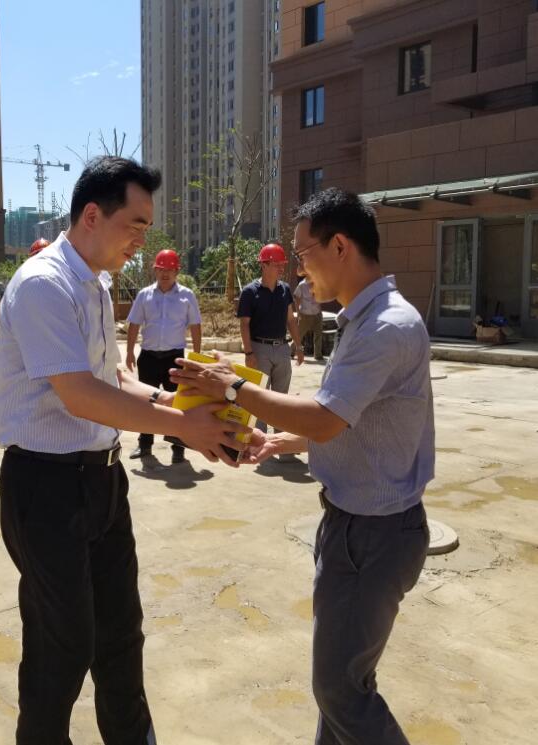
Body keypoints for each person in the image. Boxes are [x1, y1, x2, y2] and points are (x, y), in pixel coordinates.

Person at [0, 156, 245, 744]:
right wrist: (183, 428)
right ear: (91, 215)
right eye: (135, 225)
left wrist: (175, 402)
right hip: (46, 487)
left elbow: (110, 378)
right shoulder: (44, 284)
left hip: (103, 483)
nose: (142, 241)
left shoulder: (97, 285)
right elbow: (80, 395)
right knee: (63, 647)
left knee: (121, 636)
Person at [171, 188, 434, 745]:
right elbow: (350, 420)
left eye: (302, 253)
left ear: (339, 246)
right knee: (341, 686)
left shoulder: (386, 327)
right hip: (354, 527)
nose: (297, 269)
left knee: (340, 690)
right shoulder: (364, 320)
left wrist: (233, 388)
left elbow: (326, 418)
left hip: (374, 535)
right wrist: (277, 442)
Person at [125, 248, 202, 464]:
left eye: (170, 269)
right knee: (147, 404)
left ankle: (178, 449)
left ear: (177, 271)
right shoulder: (144, 295)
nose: (165, 273)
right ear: (155, 271)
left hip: (174, 359)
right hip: (148, 358)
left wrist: (196, 357)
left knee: (178, 405)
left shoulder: (187, 295)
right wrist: (130, 352)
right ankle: (145, 445)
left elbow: (195, 326)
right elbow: (134, 324)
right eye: (161, 269)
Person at [237, 243, 304, 433]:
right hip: (259, 349)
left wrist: (298, 347)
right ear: (264, 265)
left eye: (283, 265)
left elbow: (291, 320)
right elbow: (244, 324)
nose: (281, 269)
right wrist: (249, 352)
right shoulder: (250, 292)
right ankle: (260, 440)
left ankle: (279, 440)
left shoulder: (285, 290)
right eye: (277, 265)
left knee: (281, 399)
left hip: (282, 349)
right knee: (260, 398)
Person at [294, 276, 324, 361]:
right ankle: (291, 352)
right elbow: (296, 298)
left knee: (318, 334)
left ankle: (318, 355)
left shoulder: (318, 282)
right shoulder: (302, 285)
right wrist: (298, 313)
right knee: (299, 334)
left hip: (317, 313)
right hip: (305, 314)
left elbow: (322, 296)